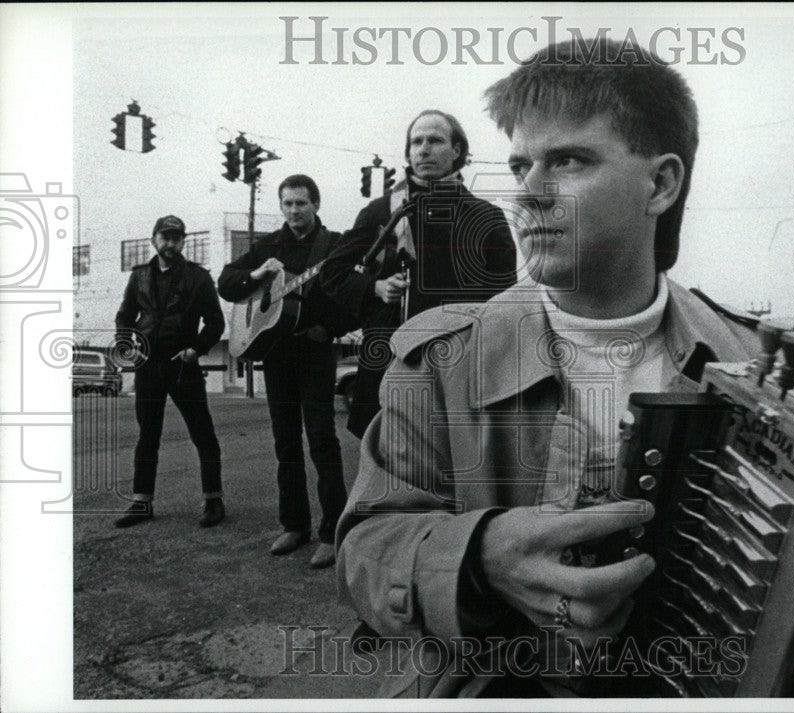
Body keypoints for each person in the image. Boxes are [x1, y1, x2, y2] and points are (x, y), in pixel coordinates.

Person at [334, 38, 761, 697]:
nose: (527, 194)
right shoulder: (441, 360)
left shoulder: (748, 364)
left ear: (661, 182)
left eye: (567, 160)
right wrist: (477, 557)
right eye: (519, 163)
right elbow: (365, 546)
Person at [320, 109, 518, 438]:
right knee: (387, 473)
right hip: (389, 361)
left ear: (457, 151)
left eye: (435, 140)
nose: (424, 149)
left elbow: (504, 302)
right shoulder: (381, 211)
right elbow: (333, 273)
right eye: (416, 141)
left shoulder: (487, 217)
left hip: (459, 368)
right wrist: (376, 287)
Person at [217, 175, 348, 568]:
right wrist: (256, 276)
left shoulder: (334, 245)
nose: (294, 211)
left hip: (314, 353)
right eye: (288, 204)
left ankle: (333, 531)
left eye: (301, 203)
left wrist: (331, 327)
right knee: (285, 442)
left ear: (316, 204)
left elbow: (352, 293)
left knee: (322, 440)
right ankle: (294, 524)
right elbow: (227, 284)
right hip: (277, 358)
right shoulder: (268, 246)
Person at [114, 215, 226, 529]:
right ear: (154, 239)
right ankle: (141, 502)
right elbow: (123, 317)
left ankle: (214, 500)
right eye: (165, 237)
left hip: (183, 366)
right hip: (147, 366)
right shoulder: (138, 277)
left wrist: (195, 350)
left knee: (203, 434)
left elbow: (216, 323)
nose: (170, 243)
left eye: (176, 238)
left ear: (183, 242)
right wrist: (128, 346)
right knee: (147, 436)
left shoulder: (198, 277)